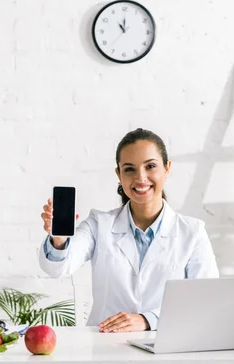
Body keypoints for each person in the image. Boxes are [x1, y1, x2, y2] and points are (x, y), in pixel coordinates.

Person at [39, 128, 219, 333]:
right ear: (119, 174)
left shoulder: (193, 233)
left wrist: (147, 320)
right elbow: (58, 268)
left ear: (167, 168)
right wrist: (59, 240)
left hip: (165, 346)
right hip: (105, 346)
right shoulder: (99, 224)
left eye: (150, 166)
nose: (141, 178)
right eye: (129, 169)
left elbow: (205, 301)